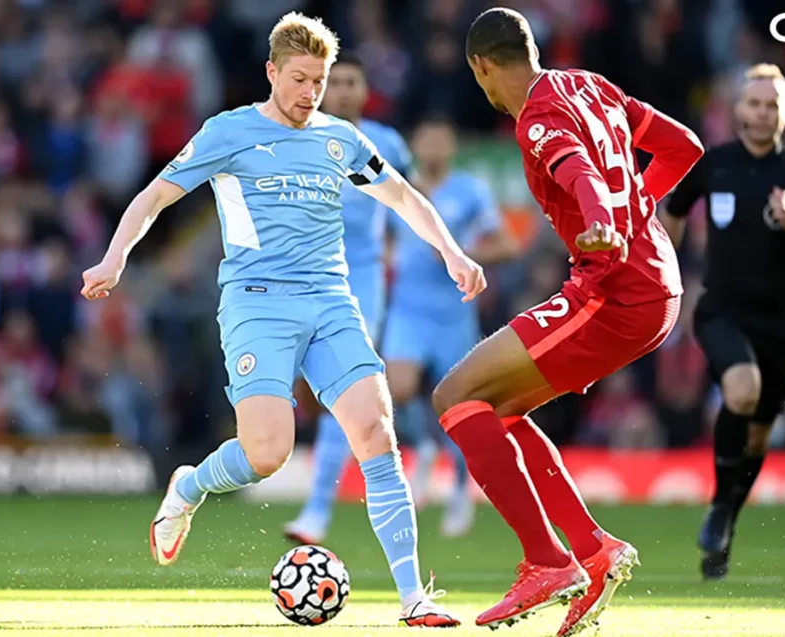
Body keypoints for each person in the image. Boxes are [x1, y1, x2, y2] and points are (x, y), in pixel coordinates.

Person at [80, 12, 486, 627]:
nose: (309, 93)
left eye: (319, 81)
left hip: (330, 301)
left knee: (377, 432)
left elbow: (402, 194)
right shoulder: (229, 132)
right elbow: (155, 195)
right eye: (299, 79)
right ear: (272, 71)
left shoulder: (340, 139)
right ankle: (189, 487)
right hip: (257, 302)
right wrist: (115, 258)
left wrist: (452, 252)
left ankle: (413, 598)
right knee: (267, 453)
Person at [432, 8, 703, 635]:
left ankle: (548, 563)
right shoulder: (589, 85)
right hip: (655, 283)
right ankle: (590, 550)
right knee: (494, 410)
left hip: (614, 293)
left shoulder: (536, 118)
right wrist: (633, 203)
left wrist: (603, 214)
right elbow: (683, 146)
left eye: (482, 80)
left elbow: (576, 169)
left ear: (482, 66)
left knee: (454, 396)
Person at [662, 63, 785, 581]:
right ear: (737, 110)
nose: (762, 112)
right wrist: (660, 267)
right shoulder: (712, 165)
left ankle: (725, 522)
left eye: (772, 105)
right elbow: (671, 217)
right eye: (754, 103)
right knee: (741, 391)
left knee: (759, 439)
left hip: (777, 324)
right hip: (720, 311)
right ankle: (720, 509)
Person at [282, 52, 413, 548]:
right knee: (307, 390)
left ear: (364, 91)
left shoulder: (388, 144)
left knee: (349, 391)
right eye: (332, 82)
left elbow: (406, 202)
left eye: (350, 82)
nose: (340, 91)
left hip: (362, 279)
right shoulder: (298, 137)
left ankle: (316, 507)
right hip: (302, 274)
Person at [385, 113, 517, 537]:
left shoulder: (470, 192)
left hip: (454, 312)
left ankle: (461, 493)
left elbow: (505, 244)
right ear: (415, 147)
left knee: (459, 406)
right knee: (397, 388)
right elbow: (384, 238)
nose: (434, 149)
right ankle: (423, 446)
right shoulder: (397, 188)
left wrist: (464, 257)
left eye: (442, 141)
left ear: (452, 148)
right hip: (407, 308)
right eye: (427, 141)